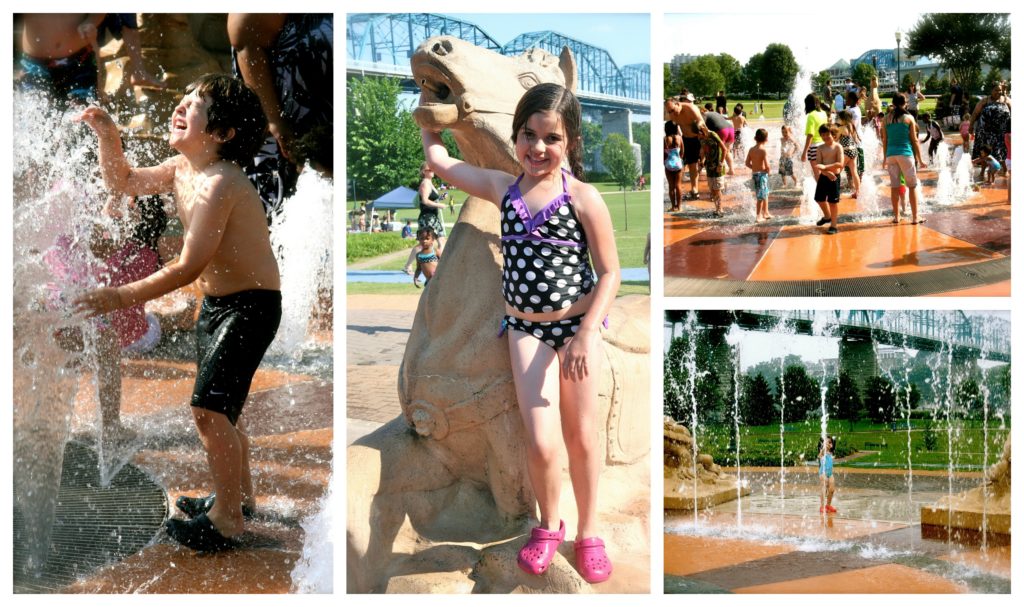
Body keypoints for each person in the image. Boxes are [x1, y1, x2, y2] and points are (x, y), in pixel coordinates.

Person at [73, 74, 282, 552]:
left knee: (208, 411)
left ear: (223, 134)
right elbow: (122, 181)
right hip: (220, 304)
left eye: (198, 104)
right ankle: (240, 498)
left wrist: (120, 296)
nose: (183, 106)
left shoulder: (221, 183)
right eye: (184, 98)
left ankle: (227, 519)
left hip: (251, 306)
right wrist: (110, 136)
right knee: (225, 411)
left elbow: (189, 265)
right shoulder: (181, 168)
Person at [421, 82, 619, 584]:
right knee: (542, 441)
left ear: (569, 141)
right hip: (526, 332)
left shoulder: (584, 198)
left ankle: (589, 532)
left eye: (550, 138)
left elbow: (610, 272)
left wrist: (585, 333)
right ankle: (549, 526)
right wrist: (429, 125)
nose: (537, 147)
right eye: (528, 135)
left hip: (577, 331)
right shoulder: (502, 188)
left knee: (580, 436)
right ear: (516, 136)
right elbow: (444, 165)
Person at [228, 14, 333, 219]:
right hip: (288, 130)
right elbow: (245, 33)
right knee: (290, 215)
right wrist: (275, 121)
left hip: (324, 125)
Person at [17, 13, 106, 108]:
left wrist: (91, 21)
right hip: (35, 65)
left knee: (83, 113)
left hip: (80, 62)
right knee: (35, 111)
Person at [881, 93, 927, 224]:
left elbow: (885, 140)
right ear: (905, 103)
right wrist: (921, 159)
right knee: (912, 186)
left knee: (894, 187)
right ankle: (915, 217)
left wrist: (885, 158)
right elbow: (914, 140)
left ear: (893, 103)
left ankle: (896, 216)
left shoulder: (886, 119)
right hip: (905, 154)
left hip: (891, 155)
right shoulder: (909, 118)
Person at [665, 91, 705, 200]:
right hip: (685, 139)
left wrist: (698, 127)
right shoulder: (671, 113)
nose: (672, 113)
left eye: (672, 110)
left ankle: (698, 189)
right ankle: (688, 189)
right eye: (669, 112)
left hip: (697, 138)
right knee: (685, 164)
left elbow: (702, 123)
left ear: (678, 104)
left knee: (696, 165)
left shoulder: (690, 108)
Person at [813, 124, 845, 234]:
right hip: (824, 176)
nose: (825, 137)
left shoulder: (837, 147)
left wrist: (826, 168)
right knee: (819, 199)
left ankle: (834, 225)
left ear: (833, 135)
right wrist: (826, 173)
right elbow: (818, 164)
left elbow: (840, 164)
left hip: (834, 178)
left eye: (828, 134)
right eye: (823, 135)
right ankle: (827, 216)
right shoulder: (820, 148)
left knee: (833, 202)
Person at [698, 122, 727, 216]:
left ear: (703, 131)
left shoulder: (713, 134)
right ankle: (716, 208)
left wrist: (721, 163)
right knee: (712, 189)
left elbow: (724, 149)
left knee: (717, 188)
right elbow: (703, 149)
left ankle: (720, 209)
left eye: (698, 134)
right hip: (709, 166)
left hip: (718, 165)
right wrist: (702, 160)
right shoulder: (700, 138)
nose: (698, 136)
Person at [417, 162, 448, 247]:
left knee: (441, 241)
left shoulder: (430, 183)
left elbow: (432, 200)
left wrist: (440, 198)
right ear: (424, 172)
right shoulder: (425, 184)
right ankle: (412, 260)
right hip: (427, 217)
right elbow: (425, 201)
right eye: (430, 170)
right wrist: (440, 205)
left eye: (433, 169)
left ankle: (440, 260)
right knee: (425, 244)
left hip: (433, 216)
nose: (432, 171)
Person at [745, 128, 772, 222]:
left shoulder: (751, 149)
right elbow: (767, 165)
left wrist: (755, 168)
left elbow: (747, 163)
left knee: (765, 193)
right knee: (761, 196)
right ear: (766, 139)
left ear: (755, 138)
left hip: (755, 175)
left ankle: (766, 212)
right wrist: (768, 171)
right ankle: (758, 216)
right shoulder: (763, 150)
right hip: (762, 175)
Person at [801, 93, 829, 180]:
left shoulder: (811, 116)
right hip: (825, 145)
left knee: (817, 174)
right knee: (824, 172)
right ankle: (827, 192)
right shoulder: (823, 113)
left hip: (814, 147)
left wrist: (804, 152)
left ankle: (822, 193)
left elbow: (810, 135)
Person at [702, 107, 735, 175]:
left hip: (721, 131)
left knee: (719, 151)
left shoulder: (704, 115)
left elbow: (703, 127)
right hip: (730, 129)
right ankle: (731, 170)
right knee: (727, 151)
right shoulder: (714, 113)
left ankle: (719, 170)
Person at [836, 110, 861, 198]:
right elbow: (855, 139)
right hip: (854, 151)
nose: (838, 119)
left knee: (837, 171)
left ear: (843, 119)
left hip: (846, 151)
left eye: (839, 118)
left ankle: (835, 192)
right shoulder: (851, 126)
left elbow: (835, 139)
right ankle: (857, 192)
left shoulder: (841, 128)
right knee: (854, 172)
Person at [664, 120, 684, 211]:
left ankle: (673, 207)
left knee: (671, 186)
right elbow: (682, 151)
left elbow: (663, 153)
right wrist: (680, 158)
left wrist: (664, 161)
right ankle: (679, 207)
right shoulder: (679, 138)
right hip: (678, 164)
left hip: (668, 164)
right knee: (678, 185)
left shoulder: (665, 139)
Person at [819, 436, 837, 514]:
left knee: (832, 489)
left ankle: (828, 505)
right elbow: (820, 455)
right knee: (824, 488)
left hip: (830, 473)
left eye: (830, 442)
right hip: (823, 473)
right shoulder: (822, 451)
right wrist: (823, 448)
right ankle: (822, 506)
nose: (828, 444)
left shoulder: (831, 452)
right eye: (827, 442)